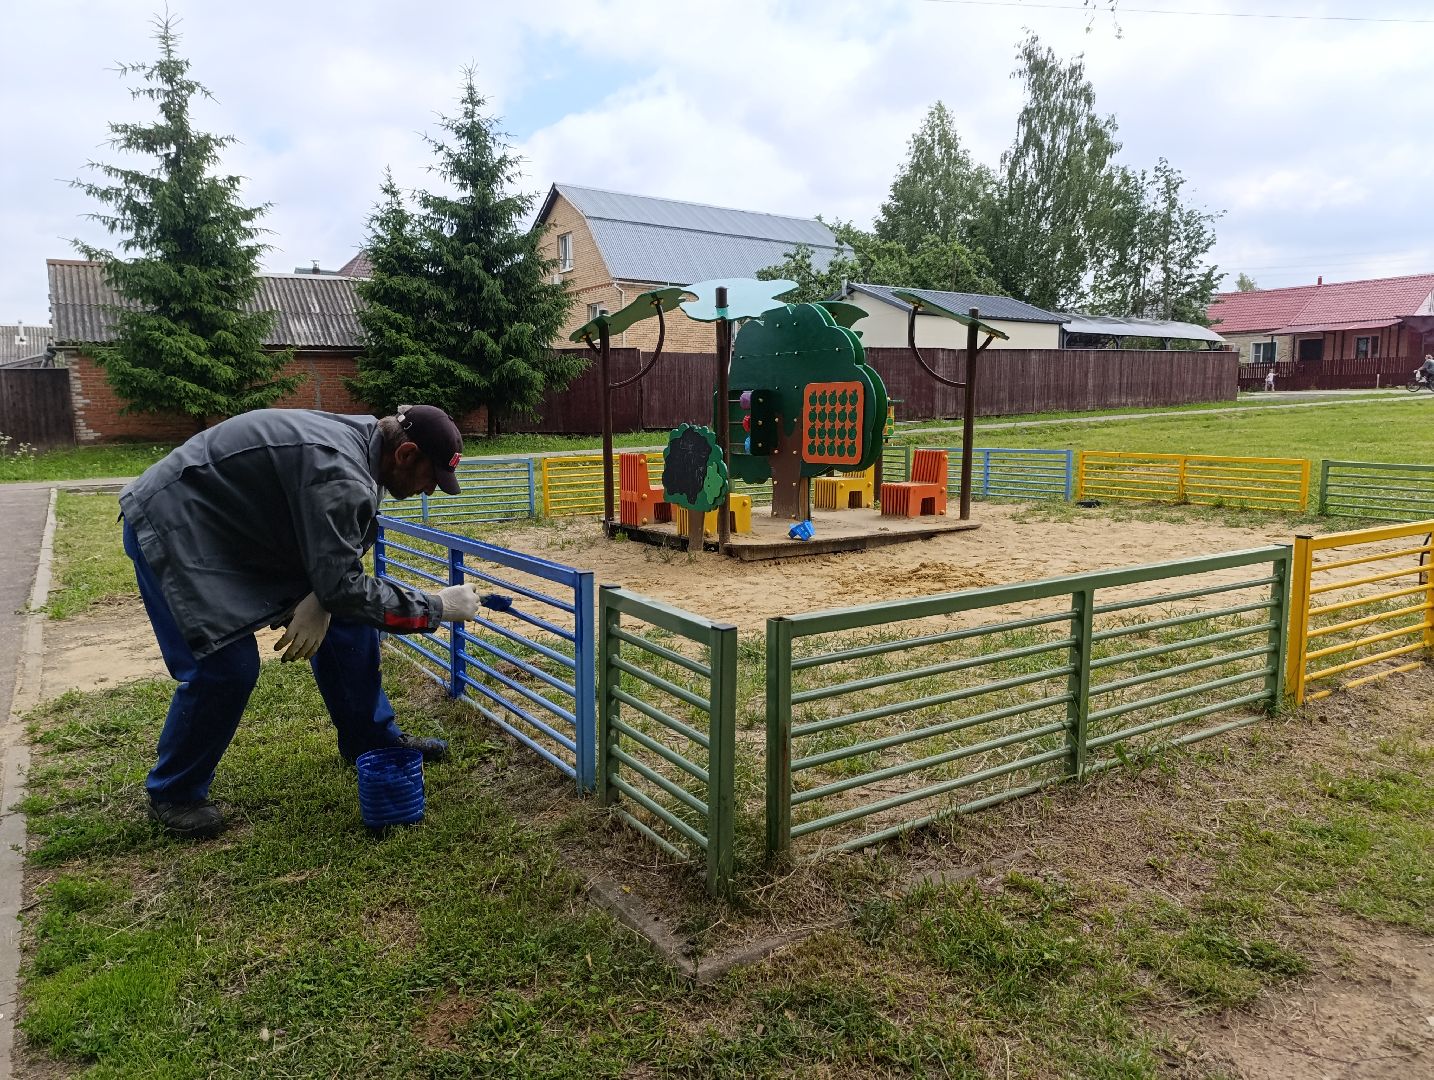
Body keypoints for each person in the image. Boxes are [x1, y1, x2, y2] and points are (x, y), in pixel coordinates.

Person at [120, 404, 483, 840]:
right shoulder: (341, 472)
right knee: (225, 666)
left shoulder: (369, 442)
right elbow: (344, 573)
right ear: (404, 455)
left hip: (236, 522)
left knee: (348, 621)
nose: (428, 491)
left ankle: (370, 741)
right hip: (175, 523)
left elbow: (338, 544)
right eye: (430, 479)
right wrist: (436, 606)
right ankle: (174, 792)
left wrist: (324, 596)